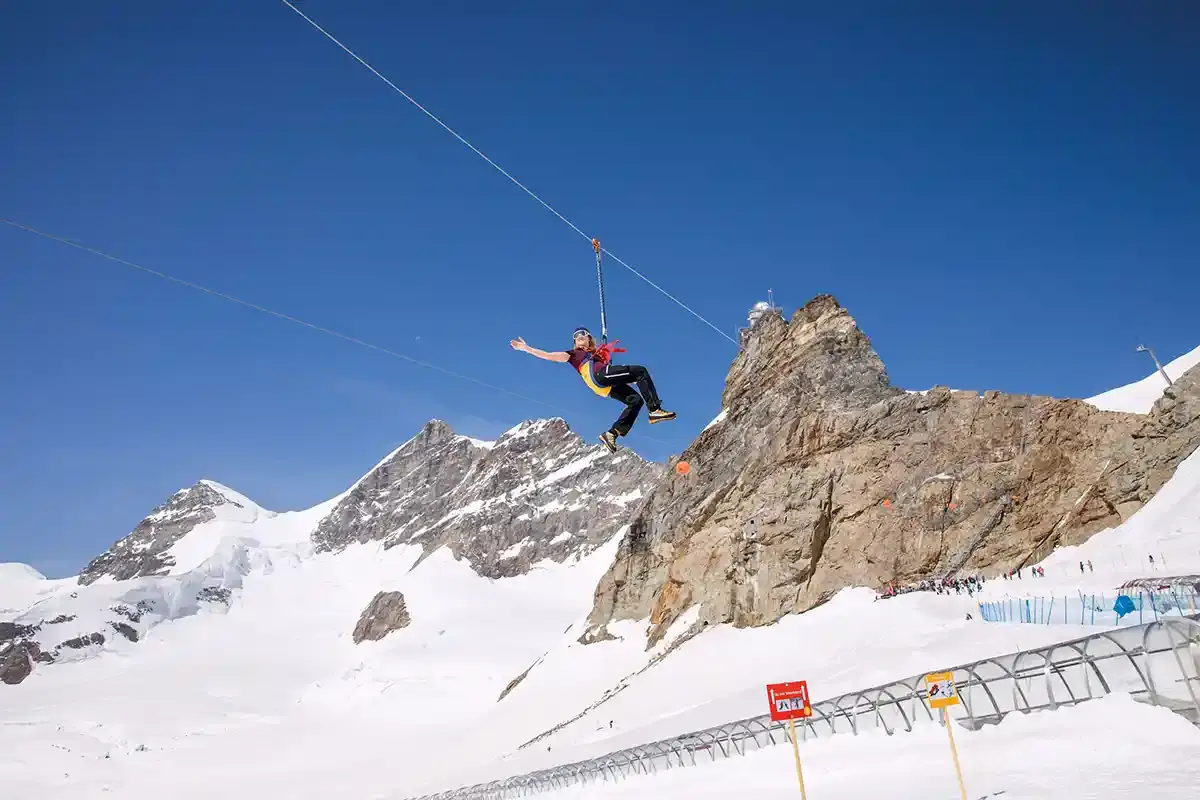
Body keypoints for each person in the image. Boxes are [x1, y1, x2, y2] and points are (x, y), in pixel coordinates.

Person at [510, 327, 675, 451]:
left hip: (603, 384)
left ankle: (612, 433)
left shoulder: (596, 355)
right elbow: (549, 355)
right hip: (597, 374)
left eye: (584, 334)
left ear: (589, 339)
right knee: (640, 371)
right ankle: (654, 409)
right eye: (576, 336)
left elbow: (620, 374)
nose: (580, 337)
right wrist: (527, 348)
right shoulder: (573, 354)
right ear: (574, 342)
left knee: (636, 401)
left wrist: (608, 359)